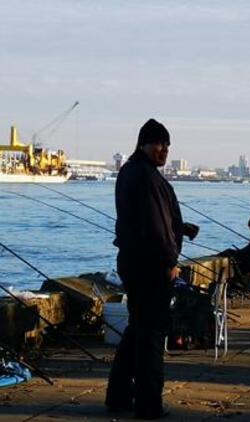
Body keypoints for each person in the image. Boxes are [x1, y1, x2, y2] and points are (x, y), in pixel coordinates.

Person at [105, 119, 199, 419]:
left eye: (167, 145)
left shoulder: (134, 172)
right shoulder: (145, 177)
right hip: (150, 266)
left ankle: (118, 395)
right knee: (152, 334)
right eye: (159, 144)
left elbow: (151, 220)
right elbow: (155, 228)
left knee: (137, 329)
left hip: (135, 261)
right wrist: (170, 262)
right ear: (143, 144)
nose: (164, 150)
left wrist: (181, 228)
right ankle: (149, 404)